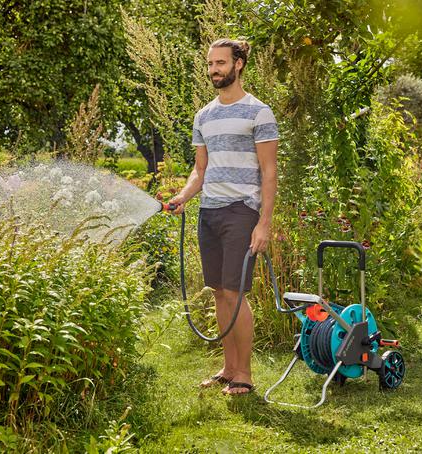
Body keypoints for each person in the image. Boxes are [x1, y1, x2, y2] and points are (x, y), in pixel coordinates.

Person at [168, 38, 278, 395]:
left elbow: (269, 171)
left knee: (235, 291)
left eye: (220, 63)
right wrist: (183, 196)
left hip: (242, 211)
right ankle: (229, 369)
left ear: (239, 64)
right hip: (209, 212)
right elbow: (200, 170)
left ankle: (245, 374)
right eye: (210, 64)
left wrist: (264, 223)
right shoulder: (204, 115)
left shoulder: (258, 112)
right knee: (218, 292)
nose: (214, 70)